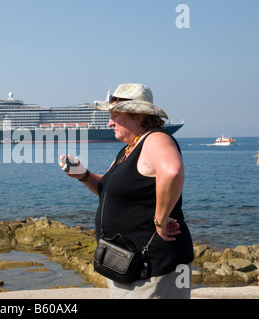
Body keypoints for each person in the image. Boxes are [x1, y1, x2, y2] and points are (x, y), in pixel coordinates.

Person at [59, 83, 194, 298]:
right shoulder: (129, 149)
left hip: (156, 267)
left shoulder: (156, 139)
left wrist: (160, 218)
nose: (110, 122)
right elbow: (109, 190)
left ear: (139, 116)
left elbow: (173, 171)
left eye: (115, 115)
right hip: (128, 263)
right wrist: (83, 174)